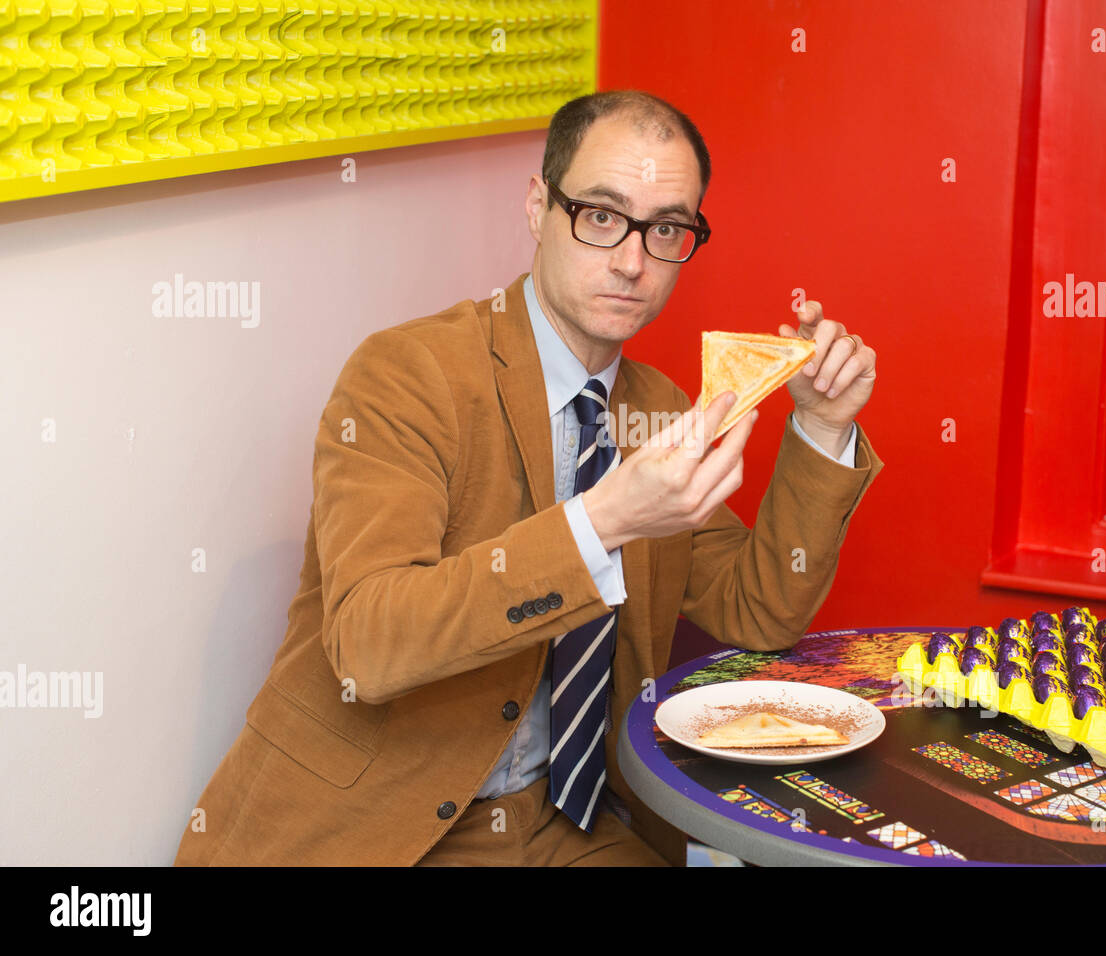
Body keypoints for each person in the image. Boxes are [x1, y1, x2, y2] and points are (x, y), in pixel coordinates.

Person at [173, 89, 884, 867]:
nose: (632, 261)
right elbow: (368, 645)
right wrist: (602, 522)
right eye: (602, 215)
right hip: (375, 830)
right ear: (539, 205)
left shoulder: (656, 407)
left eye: (667, 228)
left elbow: (760, 607)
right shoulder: (410, 374)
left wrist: (820, 425)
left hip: (566, 822)